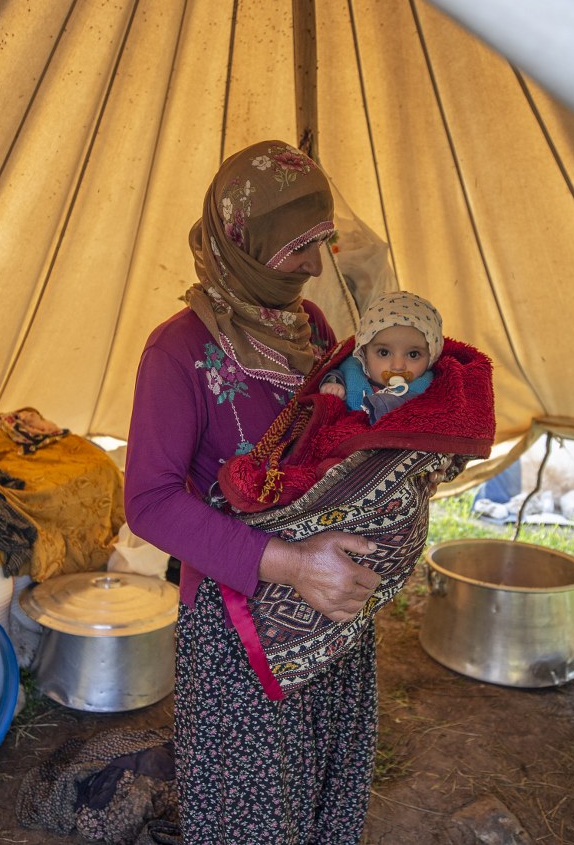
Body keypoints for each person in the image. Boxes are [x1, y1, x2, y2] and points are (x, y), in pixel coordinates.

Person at [124, 140, 385, 844]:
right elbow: (147, 501)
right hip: (242, 626)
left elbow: (333, 447)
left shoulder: (314, 329)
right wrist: (296, 564)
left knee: (326, 778)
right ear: (242, 242)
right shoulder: (178, 353)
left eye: (320, 243)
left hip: (331, 603)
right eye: (295, 247)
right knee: (255, 807)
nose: (312, 266)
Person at [319, 290, 443, 423]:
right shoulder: (352, 370)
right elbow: (336, 374)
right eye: (384, 353)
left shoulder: (428, 389)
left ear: (431, 357)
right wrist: (335, 384)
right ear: (364, 352)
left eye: (413, 354)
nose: (398, 366)